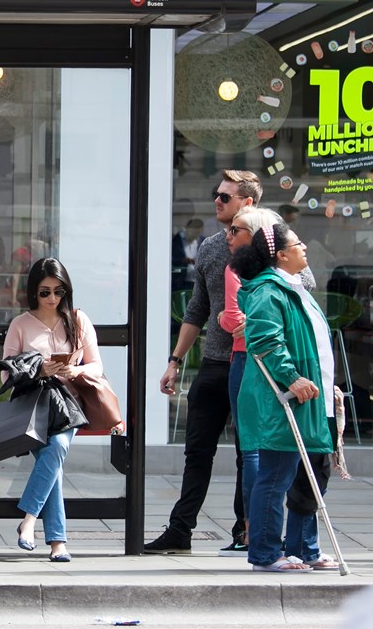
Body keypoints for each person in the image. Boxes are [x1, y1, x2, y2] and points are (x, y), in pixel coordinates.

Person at [146, 170, 261, 556]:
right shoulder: (212, 247)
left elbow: (303, 283)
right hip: (214, 362)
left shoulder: (272, 244)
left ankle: (245, 530)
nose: (216, 201)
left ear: (247, 203)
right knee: (197, 450)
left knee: (250, 452)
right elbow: (198, 308)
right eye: (216, 194)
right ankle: (180, 530)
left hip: (255, 363)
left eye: (225, 197)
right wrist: (174, 360)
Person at [233, 223, 333, 572]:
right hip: (286, 397)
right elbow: (266, 342)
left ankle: (304, 548)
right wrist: (292, 377)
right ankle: (265, 553)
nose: (304, 246)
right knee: (276, 475)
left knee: (311, 472)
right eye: (297, 242)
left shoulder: (294, 286)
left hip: (311, 395)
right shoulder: (268, 291)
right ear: (281, 254)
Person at [5, 258, 119, 562]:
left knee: (55, 448)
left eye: (58, 291)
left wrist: (75, 372)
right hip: (32, 406)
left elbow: (96, 365)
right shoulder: (20, 324)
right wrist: (40, 369)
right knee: (52, 461)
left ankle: (29, 521)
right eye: (45, 292)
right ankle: (56, 543)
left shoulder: (78, 320)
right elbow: (6, 373)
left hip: (68, 406)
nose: (52, 298)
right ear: (33, 292)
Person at [216, 206, 281, 530]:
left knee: (253, 449)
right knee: (267, 448)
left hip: (248, 359)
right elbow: (236, 321)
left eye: (235, 230)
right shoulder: (278, 269)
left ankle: (253, 528)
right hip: (264, 359)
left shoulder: (239, 269)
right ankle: (259, 528)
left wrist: (235, 322)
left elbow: (232, 319)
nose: (227, 235)